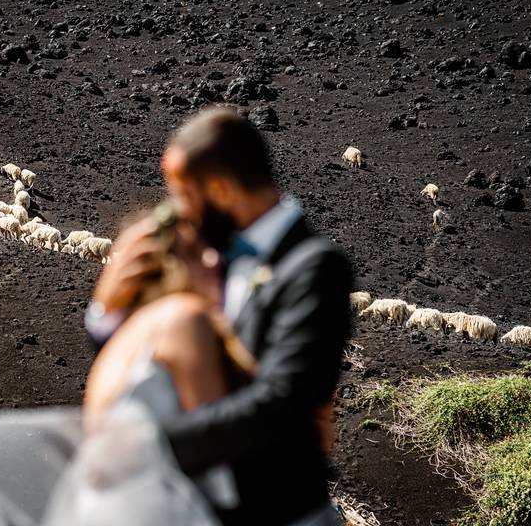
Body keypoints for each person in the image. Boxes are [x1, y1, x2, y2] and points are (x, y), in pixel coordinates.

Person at [86, 107, 352, 526]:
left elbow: (282, 403)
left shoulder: (313, 267)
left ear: (222, 190)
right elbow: (158, 361)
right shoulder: (212, 258)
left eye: (186, 195)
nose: (181, 212)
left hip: (283, 511)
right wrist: (106, 311)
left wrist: (150, 449)